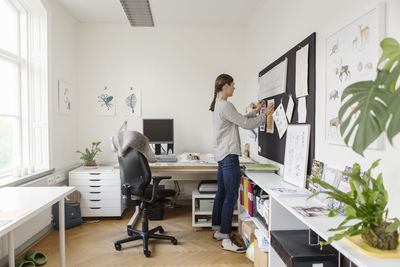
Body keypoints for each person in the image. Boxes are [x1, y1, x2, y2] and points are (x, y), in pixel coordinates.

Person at [209, 73, 274, 253]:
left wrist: (256, 110)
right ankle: (225, 238)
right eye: (233, 85)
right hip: (229, 156)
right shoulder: (225, 105)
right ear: (226, 86)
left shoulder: (218, 105)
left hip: (222, 156)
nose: (234, 88)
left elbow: (238, 119)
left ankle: (217, 230)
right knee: (230, 196)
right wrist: (265, 114)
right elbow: (245, 124)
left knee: (221, 194)